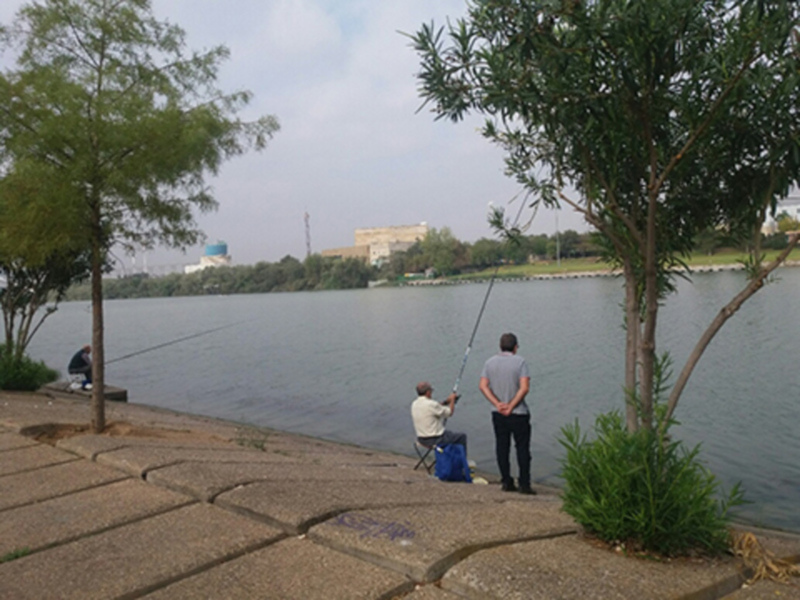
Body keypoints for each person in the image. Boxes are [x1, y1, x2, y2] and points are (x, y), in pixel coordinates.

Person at [479, 332, 535, 495]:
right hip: (519, 413)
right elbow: (524, 388)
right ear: (515, 347)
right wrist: (511, 405)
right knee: (522, 449)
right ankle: (524, 484)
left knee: (502, 447)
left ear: (500, 346)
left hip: (498, 413)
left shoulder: (489, 362)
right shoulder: (520, 362)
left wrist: (497, 404)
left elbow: (483, 386)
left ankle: (506, 481)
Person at [410, 381, 467, 454]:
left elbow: (436, 407)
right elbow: (449, 413)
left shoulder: (414, 404)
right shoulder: (431, 404)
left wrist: (447, 401)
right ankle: (461, 459)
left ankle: (450, 456)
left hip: (421, 439)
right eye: (431, 391)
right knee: (462, 437)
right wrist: (452, 400)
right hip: (435, 439)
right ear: (427, 392)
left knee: (450, 434)